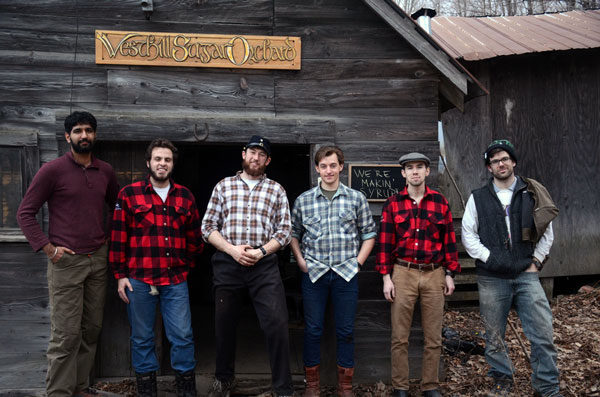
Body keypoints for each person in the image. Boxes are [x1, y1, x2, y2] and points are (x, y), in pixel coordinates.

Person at [16, 111, 119, 396]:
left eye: (88, 130)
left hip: (97, 260)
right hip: (66, 263)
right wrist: (49, 249)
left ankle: (80, 387)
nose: (83, 135)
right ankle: (59, 392)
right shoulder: (52, 170)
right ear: (67, 136)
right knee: (66, 335)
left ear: (95, 135)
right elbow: (25, 213)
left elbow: (118, 207)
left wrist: (108, 240)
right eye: (77, 131)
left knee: (91, 330)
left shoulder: (106, 171)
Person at [461, 139, 562, 397]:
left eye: (505, 158)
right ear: (489, 168)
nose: (500, 164)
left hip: (525, 275)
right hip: (492, 279)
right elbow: (469, 236)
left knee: (542, 334)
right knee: (494, 337)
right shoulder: (478, 198)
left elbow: (546, 230)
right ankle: (502, 379)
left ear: (513, 161)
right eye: (494, 161)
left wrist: (536, 262)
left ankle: (547, 387)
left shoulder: (531, 193)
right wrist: (490, 259)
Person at [109, 139, 203, 397]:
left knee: (182, 336)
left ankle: (186, 391)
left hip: (175, 279)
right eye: (158, 159)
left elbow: (196, 237)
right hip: (139, 279)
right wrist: (120, 276)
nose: (163, 164)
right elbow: (118, 237)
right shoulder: (129, 194)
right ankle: (147, 392)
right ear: (148, 162)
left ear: (173, 164)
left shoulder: (185, 196)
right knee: (141, 338)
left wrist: (186, 265)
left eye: (168, 160)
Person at [201, 135, 294, 397]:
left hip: (263, 265)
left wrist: (261, 252)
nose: (256, 157)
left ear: (268, 160)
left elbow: (284, 231)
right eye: (252, 152)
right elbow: (207, 228)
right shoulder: (223, 186)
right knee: (224, 324)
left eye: (261, 154)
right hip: (228, 263)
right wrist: (232, 250)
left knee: (276, 323)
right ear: (243, 154)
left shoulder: (276, 190)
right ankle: (224, 381)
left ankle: (283, 388)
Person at [290, 146, 376, 397]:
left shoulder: (355, 198)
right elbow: (293, 234)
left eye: (333, 165)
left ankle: (345, 387)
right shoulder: (304, 200)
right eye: (324, 166)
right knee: (313, 330)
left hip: (345, 275)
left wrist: (358, 263)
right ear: (317, 168)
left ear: (341, 167)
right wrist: (300, 260)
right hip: (314, 274)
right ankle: (313, 387)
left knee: (346, 330)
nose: (329, 170)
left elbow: (369, 234)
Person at [376, 152, 460, 397]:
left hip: (434, 274)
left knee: (433, 336)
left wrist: (450, 273)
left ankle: (430, 386)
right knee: (399, 336)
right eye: (409, 168)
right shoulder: (393, 203)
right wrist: (386, 277)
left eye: (419, 167)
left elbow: (449, 241)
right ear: (403, 173)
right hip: (403, 272)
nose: (414, 171)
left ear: (427, 171)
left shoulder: (440, 202)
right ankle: (400, 387)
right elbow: (384, 242)